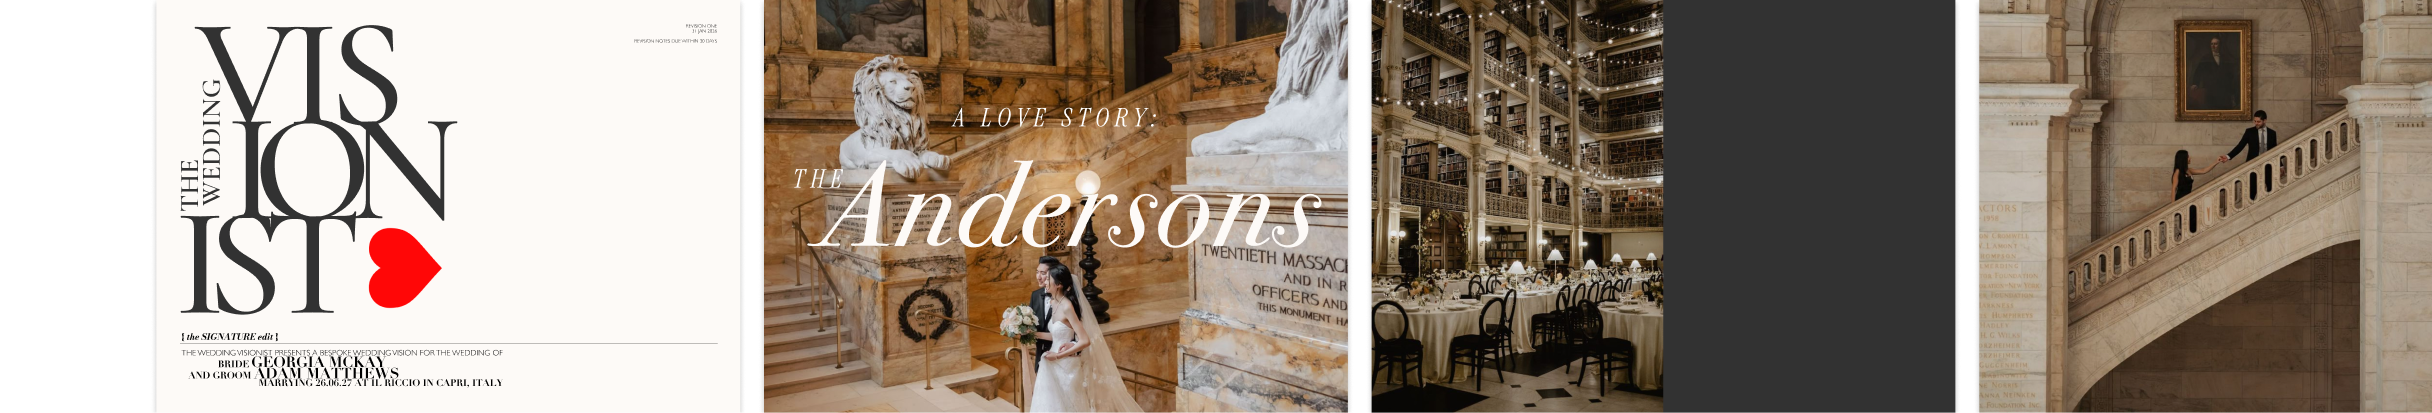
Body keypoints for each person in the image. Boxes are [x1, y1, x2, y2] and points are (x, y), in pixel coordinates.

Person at [1028, 256, 1146, 413]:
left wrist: (1058, 355)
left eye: (1047, 278)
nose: (1044, 281)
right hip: (1049, 362)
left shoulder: (1067, 306)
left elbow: (1085, 340)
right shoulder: (1053, 303)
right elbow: (1056, 336)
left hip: (1066, 364)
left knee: (1070, 406)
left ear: (1059, 284)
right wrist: (1030, 334)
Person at [2189, 37, 2239, 110]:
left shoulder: (2225, 58)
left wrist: (2232, 90)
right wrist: (2195, 83)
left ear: (2220, 45)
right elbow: (2198, 71)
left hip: (2224, 89)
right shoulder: (2205, 57)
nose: (2213, 46)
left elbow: (2230, 74)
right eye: (2211, 44)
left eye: (2215, 44)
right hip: (2211, 89)